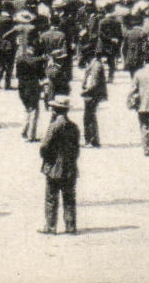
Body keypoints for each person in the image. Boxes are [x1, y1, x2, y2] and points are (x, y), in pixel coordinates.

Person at [37, 95, 80, 235]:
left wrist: (48, 159)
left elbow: (44, 147)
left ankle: (50, 226)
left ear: (55, 110)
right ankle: (70, 225)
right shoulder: (74, 127)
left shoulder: (54, 126)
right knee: (69, 198)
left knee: (51, 198)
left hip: (54, 168)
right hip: (69, 167)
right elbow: (76, 149)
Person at [79, 51, 108, 148]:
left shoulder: (95, 66)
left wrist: (85, 91)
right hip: (91, 94)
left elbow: (94, 84)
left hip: (92, 95)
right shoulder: (95, 64)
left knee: (88, 117)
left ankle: (90, 140)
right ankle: (93, 140)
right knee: (90, 116)